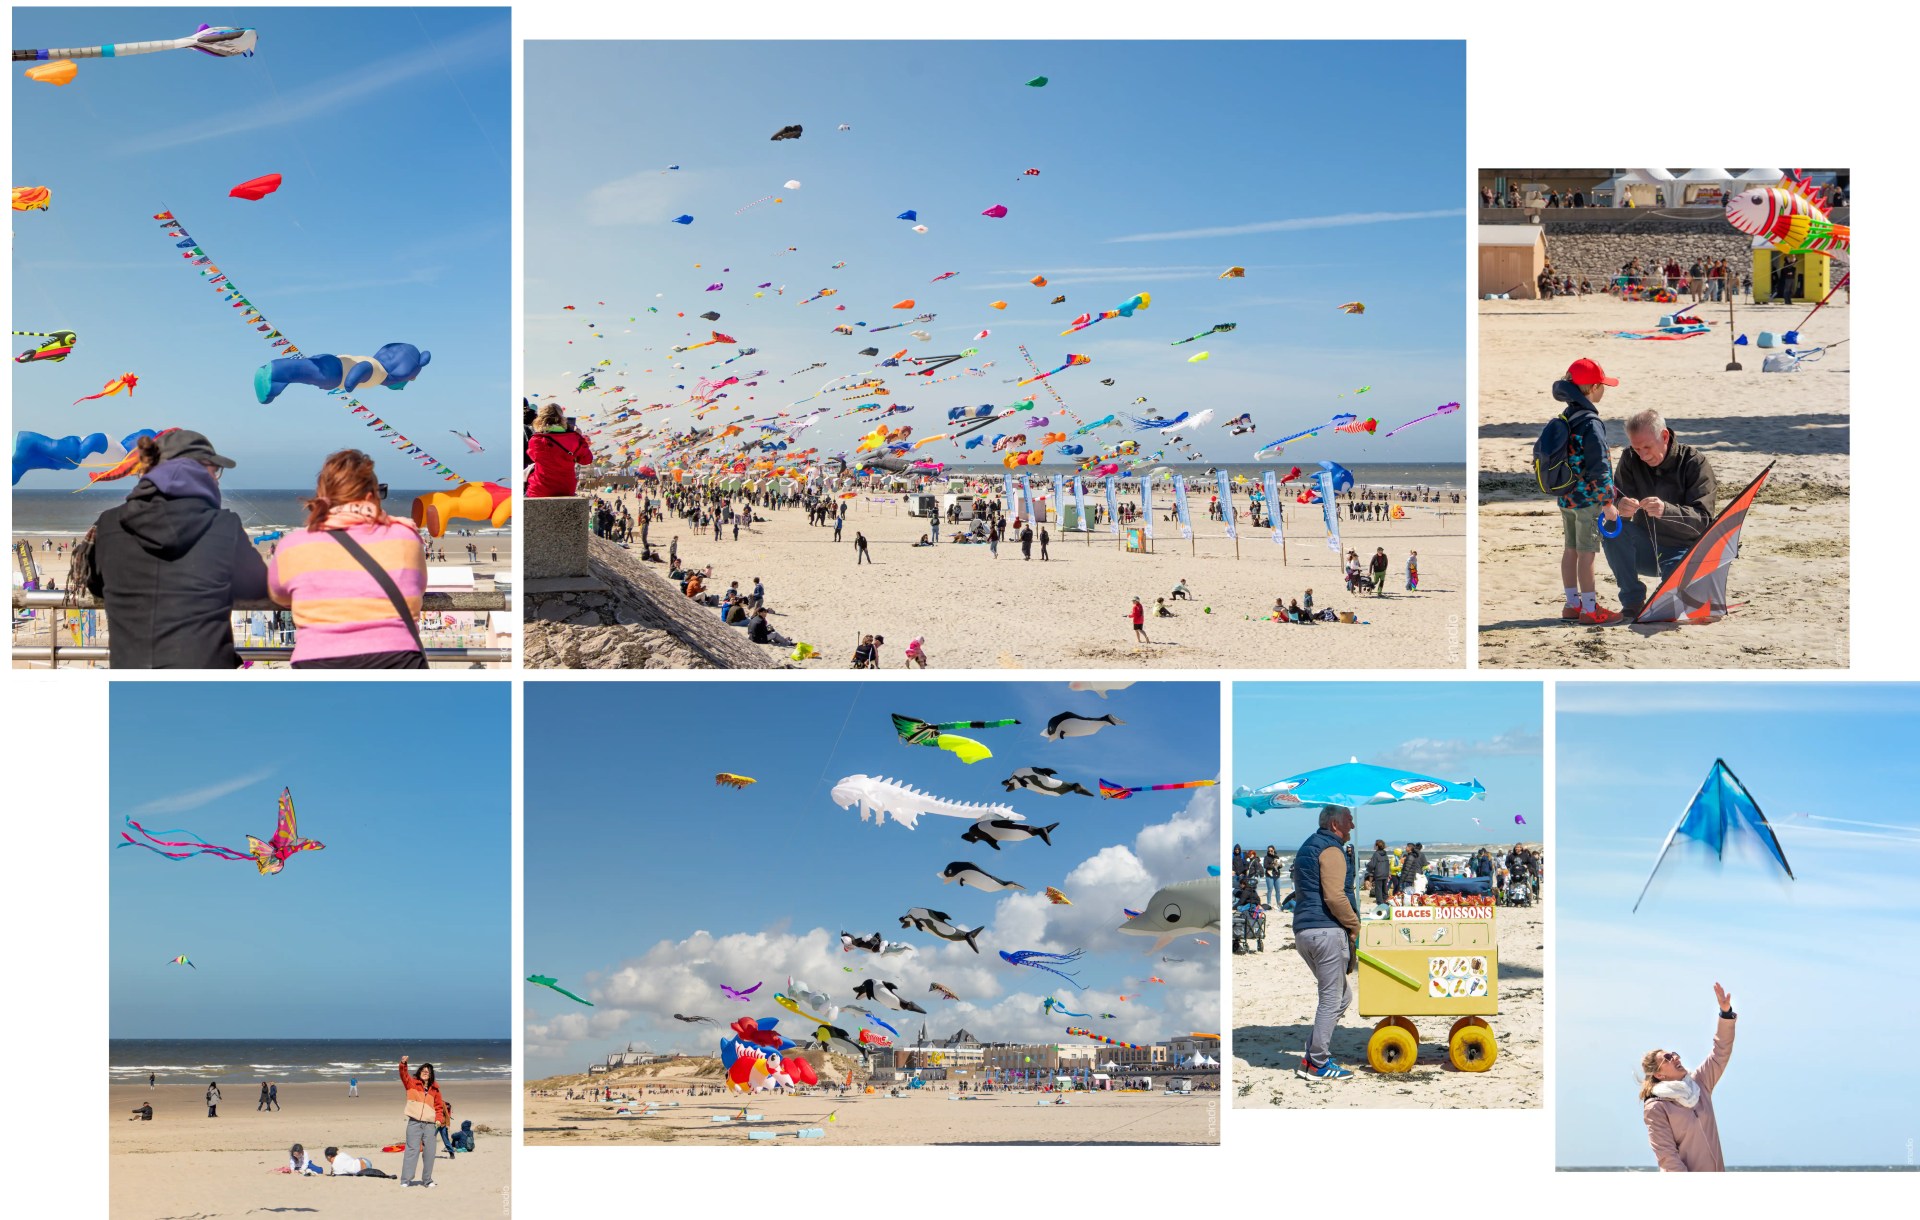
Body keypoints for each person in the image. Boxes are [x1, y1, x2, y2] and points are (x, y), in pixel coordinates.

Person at [84, 430, 268, 668]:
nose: (217, 479)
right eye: (214, 470)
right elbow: (256, 587)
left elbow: (96, 584)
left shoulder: (108, 525)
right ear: (197, 471)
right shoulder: (224, 525)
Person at [267, 451, 428, 669]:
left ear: (322, 496)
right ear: (371, 496)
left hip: (318, 659)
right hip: (397, 658)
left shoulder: (292, 544)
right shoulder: (405, 536)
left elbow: (278, 595)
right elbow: (417, 588)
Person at [1601, 409, 1718, 619]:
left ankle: (1674, 590)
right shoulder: (1630, 457)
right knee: (1612, 527)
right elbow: (1617, 498)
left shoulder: (1694, 462)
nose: (1643, 455)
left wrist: (1666, 510)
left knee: (1671, 610)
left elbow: (1704, 521)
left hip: (1685, 550)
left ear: (1664, 436)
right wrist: (1620, 505)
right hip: (1647, 547)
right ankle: (1632, 601)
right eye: (1637, 448)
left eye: (1647, 447)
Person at [1546, 358, 1623, 624]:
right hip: (1588, 500)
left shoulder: (1567, 416)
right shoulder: (1591, 422)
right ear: (1591, 388)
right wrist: (1607, 503)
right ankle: (1590, 609)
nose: (1604, 389)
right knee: (1587, 552)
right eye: (1602, 385)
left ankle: (1571, 604)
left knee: (1570, 550)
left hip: (1566, 496)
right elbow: (1600, 466)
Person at [1292, 806, 1360, 1080]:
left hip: (1305, 930)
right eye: (1349, 820)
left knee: (1343, 996)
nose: (1352, 826)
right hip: (1325, 930)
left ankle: (1311, 1056)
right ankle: (1318, 1063)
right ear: (1335, 824)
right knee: (1332, 998)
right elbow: (1334, 897)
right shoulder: (1331, 850)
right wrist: (1354, 925)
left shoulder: (1307, 847)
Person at [1640, 984, 1738, 1171]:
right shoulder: (1656, 1107)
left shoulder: (1699, 1083)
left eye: (1674, 1053)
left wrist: (1725, 1014)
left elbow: (1720, 1052)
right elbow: (1667, 1157)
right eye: (1668, 1058)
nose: (1675, 1057)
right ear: (1659, 1074)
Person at [397, 1055, 446, 1188]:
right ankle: (406, 1180)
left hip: (430, 1125)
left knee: (429, 1152)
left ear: (431, 1075)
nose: (426, 1073)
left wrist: (438, 1120)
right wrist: (403, 1063)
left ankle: (427, 1180)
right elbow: (403, 1074)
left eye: (428, 1072)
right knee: (411, 1151)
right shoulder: (411, 1083)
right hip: (414, 1123)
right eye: (424, 1071)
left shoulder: (435, 1090)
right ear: (419, 1072)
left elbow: (439, 1107)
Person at [525, 404, 594, 498]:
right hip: (566, 489)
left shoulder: (536, 440)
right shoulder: (574, 438)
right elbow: (586, 460)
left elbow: (533, 457)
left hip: (541, 489)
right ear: (562, 418)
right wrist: (580, 437)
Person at [326, 1147, 394, 1178]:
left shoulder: (335, 1167)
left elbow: (344, 1173)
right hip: (364, 1161)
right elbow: (350, 1160)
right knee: (354, 1160)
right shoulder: (342, 1154)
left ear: (329, 1157)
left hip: (363, 1168)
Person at [1365, 838, 1393, 908]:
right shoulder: (1385, 854)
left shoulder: (1376, 854)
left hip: (1378, 874)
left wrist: (1367, 867)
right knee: (1384, 890)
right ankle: (1386, 902)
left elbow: (1372, 865)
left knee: (1378, 890)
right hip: (1385, 874)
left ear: (1377, 846)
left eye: (1375, 845)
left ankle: (1380, 904)